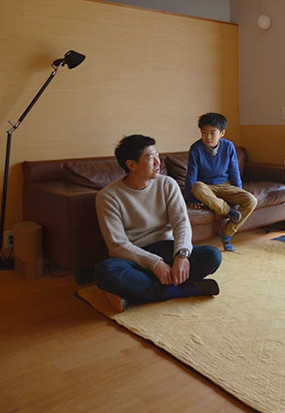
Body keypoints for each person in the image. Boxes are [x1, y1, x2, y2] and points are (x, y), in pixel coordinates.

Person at [92, 134, 222, 314]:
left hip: (168, 249)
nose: (158, 162)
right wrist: (154, 263)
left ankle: (135, 293)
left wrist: (181, 255)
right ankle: (187, 289)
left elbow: (181, 224)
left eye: (157, 155)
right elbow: (117, 245)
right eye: (150, 157)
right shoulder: (108, 196)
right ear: (131, 165)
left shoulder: (167, 184)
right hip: (136, 257)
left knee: (212, 256)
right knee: (105, 271)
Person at [185, 112, 257, 252]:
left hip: (225, 186)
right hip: (205, 188)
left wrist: (238, 191)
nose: (208, 137)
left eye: (213, 133)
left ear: (222, 133)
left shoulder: (228, 146)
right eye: (204, 132)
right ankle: (229, 212)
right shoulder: (196, 149)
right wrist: (192, 198)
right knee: (197, 187)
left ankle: (226, 233)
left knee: (251, 200)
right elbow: (191, 176)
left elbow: (234, 171)